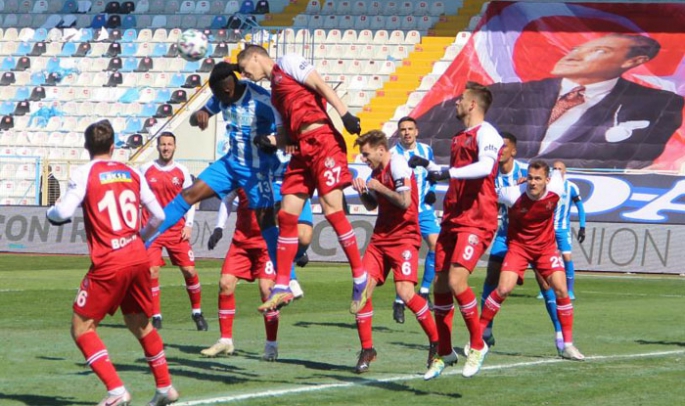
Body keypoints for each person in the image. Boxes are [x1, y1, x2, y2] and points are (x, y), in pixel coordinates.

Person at [46, 120, 179, 406]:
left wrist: (51, 212)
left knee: (81, 328)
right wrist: (137, 239)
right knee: (140, 323)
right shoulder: (132, 171)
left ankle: (116, 390)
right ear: (113, 146)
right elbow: (158, 216)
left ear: (86, 147)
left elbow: (63, 212)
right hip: (137, 254)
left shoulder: (85, 173)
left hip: (109, 261)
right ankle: (165, 387)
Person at [417, 34, 684, 169]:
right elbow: (421, 131)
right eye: (577, 47)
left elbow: (634, 157)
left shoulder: (658, 103)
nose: (576, 54)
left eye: (599, 51)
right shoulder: (503, 94)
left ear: (633, 61)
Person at [237, 44, 368, 314]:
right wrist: (271, 140)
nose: (245, 74)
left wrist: (344, 114)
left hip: (323, 142)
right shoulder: (275, 96)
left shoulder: (288, 62)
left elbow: (320, 85)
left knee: (332, 211)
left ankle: (359, 275)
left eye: (243, 69)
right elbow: (285, 135)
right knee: (286, 215)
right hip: (300, 150)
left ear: (254, 57)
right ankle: (283, 284)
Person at [144, 62, 281, 273]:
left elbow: (287, 127)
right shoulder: (221, 95)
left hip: (257, 169)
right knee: (189, 194)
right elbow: (195, 117)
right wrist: (201, 116)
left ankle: (287, 279)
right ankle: (142, 241)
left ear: (228, 89)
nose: (216, 99)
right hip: (230, 163)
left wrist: (273, 139)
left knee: (266, 222)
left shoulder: (262, 100)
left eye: (218, 95)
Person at [411, 81, 504, 380]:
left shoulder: (487, 133)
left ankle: (478, 344)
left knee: (455, 279)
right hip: (453, 217)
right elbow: (460, 177)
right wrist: (430, 167)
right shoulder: (458, 137)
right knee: (438, 284)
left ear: (473, 104)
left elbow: (485, 166)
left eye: (461, 99)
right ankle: (445, 351)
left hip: (477, 219)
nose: (456, 102)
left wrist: (447, 172)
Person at [350, 130, 439, 374]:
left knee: (405, 292)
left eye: (366, 154)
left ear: (380, 149)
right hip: (380, 239)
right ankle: (367, 349)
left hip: (404, 239)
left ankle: (436, 342)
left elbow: (405, 202)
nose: (364, 159)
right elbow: (373, 205)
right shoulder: (376, 172)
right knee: (361, 291)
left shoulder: (398, 165)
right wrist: (364, 192)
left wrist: (379, 186)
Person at [479, 160, 585, 361]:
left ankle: (567, 345)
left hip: (545, 249)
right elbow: (486, 195)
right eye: (530, 178)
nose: (533, 182)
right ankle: (478, 337)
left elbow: (558, 173)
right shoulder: (512, 194)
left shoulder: (557, 188)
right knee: (503, 289)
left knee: (561, 289)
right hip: (519, 248)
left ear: (547, 180)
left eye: (537, 179)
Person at [479, 133, 564, 354]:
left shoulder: (528, 173)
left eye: (504, 147)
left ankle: (560, 333)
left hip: (534, 238)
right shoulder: (491, 174)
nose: (499, 151)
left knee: (545, 283)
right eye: (497, 147)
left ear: (513, 151)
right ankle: (485, 332)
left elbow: (554, 182)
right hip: (505, 234)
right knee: (493, 278)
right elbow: (489, 203)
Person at [201, 188, 281, 361]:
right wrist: (219, 227)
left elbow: (292, 204)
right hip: (241, 242)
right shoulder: (242, 172)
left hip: (266, 243)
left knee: (267, 291)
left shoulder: (273, 173)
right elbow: (227, 199)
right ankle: (225, 340)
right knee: (225, 283)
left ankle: (271, 344)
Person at [140, 132, 207, 331]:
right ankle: (156, 316)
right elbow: (136, 197)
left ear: (175, 147)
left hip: (176, 229)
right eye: (163, 144)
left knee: (189, 270)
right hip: (152, 231)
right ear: (158, 147)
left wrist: (189, 224)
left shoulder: (182, 172)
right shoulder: (145, 169)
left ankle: (197, 312)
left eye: (169, 144)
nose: (166, 148)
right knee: (152, 271)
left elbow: (192, 198)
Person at [389, 116, 440, 324]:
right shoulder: (392, 155)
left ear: (416, 131)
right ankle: (399, 301)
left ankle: (425, 291)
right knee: (406, 256)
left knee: (437, 246)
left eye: (410, 129)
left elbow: (433, 173)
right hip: (404, 212)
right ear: (399, 133)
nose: (407, 132)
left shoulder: (426, 151)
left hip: (425, 211)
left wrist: (432, 192)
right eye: (403, 129)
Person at [549, 160, 586, 300]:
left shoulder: (571, 187)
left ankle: (569, 290)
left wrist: (582, 227)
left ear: (565, 171)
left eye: (560, 168)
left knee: (566, 257)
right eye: (555, 168)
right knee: (547, 260)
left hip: (563, 229)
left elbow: (580, 207)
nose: (557, 171)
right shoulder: (547, 185)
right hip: (547, 230)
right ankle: (545, 290)